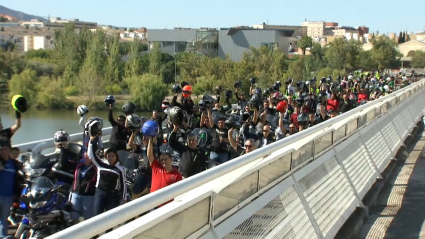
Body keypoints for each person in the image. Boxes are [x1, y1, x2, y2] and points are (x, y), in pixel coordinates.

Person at [87, 134, 127, 216]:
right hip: (100, 192)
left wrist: (124, 199)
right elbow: (91, 156)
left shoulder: (120, 169)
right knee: (97, 215)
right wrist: (91, 142)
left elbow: (123, 184)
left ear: (116, 157)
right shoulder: (101, 164)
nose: (111, 158)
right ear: (106, 156)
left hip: (112, 194)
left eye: (113, 156)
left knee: (110, 216)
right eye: (109, 156)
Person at [0, 140, 24, 238]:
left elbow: (19, 179)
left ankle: (3, 236)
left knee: (4, 218)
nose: (2, 152)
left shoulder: (14, 164)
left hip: (8, 196)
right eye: (0, 150)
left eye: (5, 149)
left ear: (9, 151)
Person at [69, 152, 97, 222]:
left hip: (88, 196)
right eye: (84, 156)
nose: (85, 158)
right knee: (73, 217)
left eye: (87, 157)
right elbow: (65, 164)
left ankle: (91, 232)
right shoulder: (79, 166)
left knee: (88, 218)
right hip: (76, 193)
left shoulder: (96, 168)